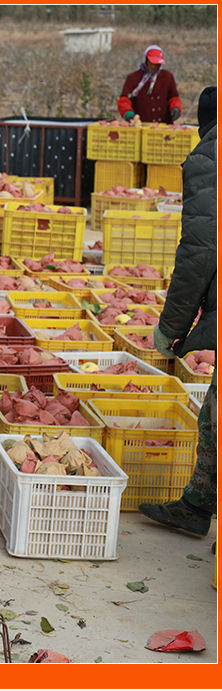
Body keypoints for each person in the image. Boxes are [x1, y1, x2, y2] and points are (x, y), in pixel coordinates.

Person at [140, 86, 217, 536]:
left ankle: (196, 507)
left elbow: (200, 252)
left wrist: (171, 327)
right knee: (213, 411)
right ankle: (196, 505)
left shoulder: (210, 158)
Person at [117, 45, 182, 124]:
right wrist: (127, 112)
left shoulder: (167, 77)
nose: (154, 66)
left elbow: (174, 97)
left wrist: (175, 108)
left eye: (157, 64)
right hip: (141, 124)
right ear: (145, 61)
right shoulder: (133, 78)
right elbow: (124, 99)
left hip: (164, 124)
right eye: (151, 63)